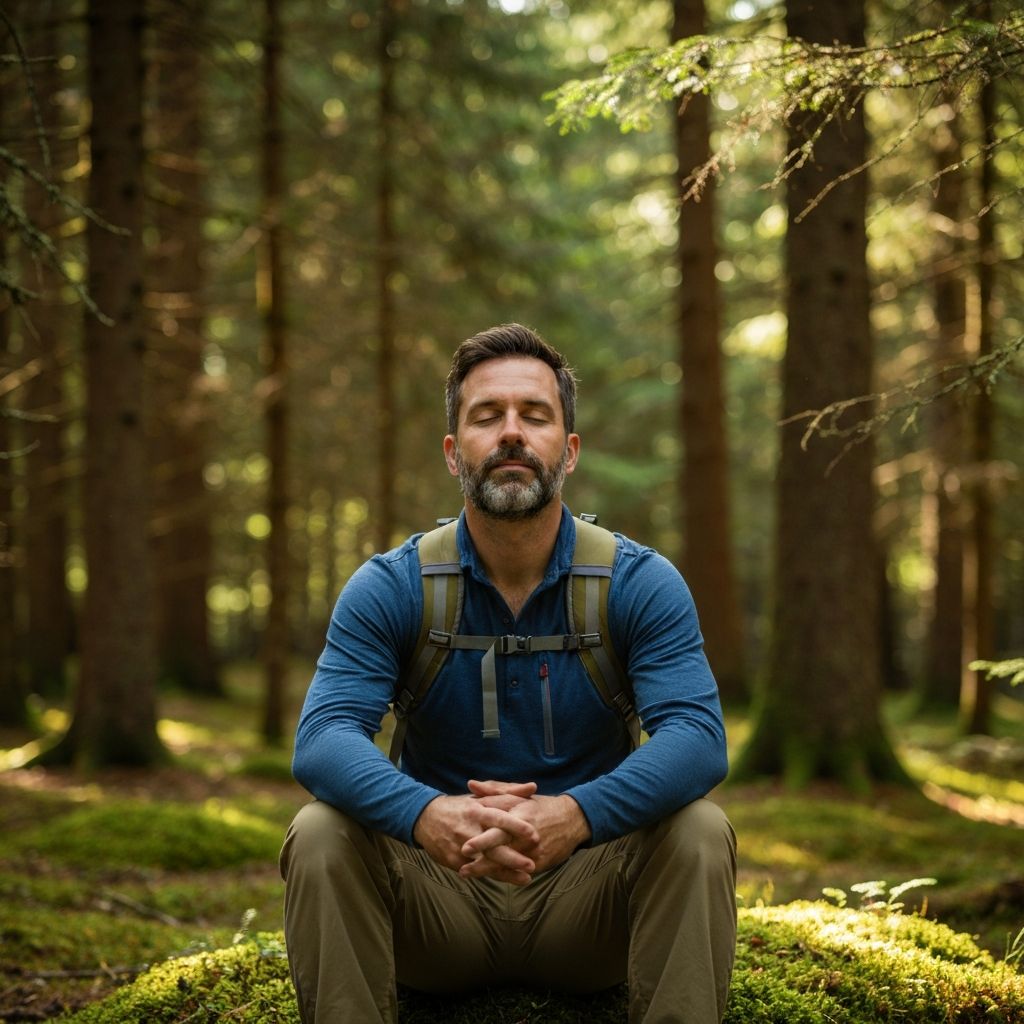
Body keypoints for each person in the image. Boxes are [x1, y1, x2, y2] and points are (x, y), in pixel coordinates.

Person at [280, 323, 737, 1024]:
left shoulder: (639, 582)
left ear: (571, 450)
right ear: (453, 452)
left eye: (536, 415)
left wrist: (577, 815)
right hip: (438, 912)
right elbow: (322, 739)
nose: (512, 434)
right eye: (487, 416)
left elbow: (700, 739)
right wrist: (425, 814)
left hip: (590, 915)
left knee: (700, 831)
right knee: (318, 833)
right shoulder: (391, 586)